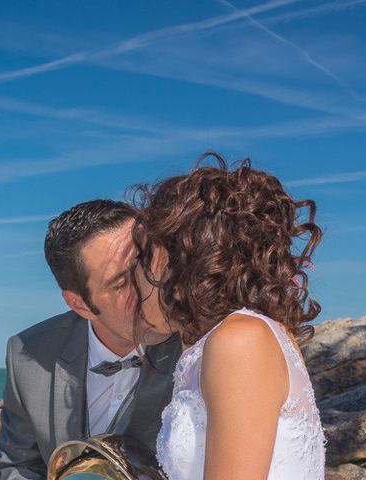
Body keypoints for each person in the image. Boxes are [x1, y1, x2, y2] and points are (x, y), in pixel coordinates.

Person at [130, 153, 327, 479]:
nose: (133, 274)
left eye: (141, 255)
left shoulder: (240, 340)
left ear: (177, 257)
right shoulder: (234, 338)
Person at [0, 199, 182, 479]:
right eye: (121, 283)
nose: (148, 287)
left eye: (146, 265)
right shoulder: (27, 353)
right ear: (80, 305)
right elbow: (16, 465)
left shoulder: (201, 341)